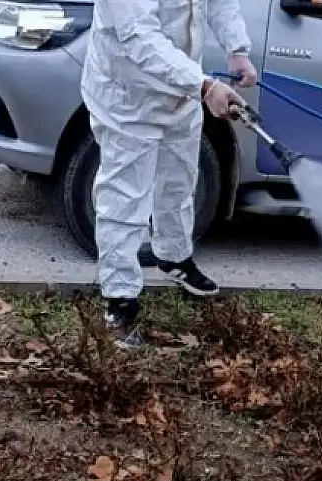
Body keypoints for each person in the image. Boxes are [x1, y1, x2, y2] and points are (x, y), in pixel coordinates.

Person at [80, 0, 258, 347]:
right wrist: (205, 86)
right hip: (127, 96)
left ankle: (174, 257)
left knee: (179, 182)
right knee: (125, 198)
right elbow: (139, 38)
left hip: (181, 93)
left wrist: (237, 48)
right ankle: (119, 300)